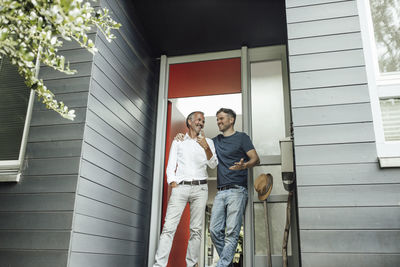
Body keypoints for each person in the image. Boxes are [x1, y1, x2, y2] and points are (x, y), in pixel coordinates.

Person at [153, 111, 218, 267]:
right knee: (168, 228)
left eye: (203, 121)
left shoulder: (208, 142)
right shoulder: (179, 141)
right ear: (189, 122)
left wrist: (206, 148)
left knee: (196, 230)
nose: (201, 123)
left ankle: (191, 264)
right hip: (180, 188)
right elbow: (171, 165)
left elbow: (213, 164)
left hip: (200, 189)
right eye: (198, 120)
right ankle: (158, 265)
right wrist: (173, 183)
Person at [210, 108, 259, 267]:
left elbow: (255, 159)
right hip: (220, 192)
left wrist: (244, 165)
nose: (218, 121)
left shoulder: (242, 138)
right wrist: (182, 138)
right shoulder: (216, 141)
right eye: (217, 119)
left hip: (238, 191)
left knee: (231, 233)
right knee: (214, 231)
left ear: (231, 120)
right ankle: (228, 265)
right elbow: (199, 144)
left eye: (221, 118)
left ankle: (222, 265)